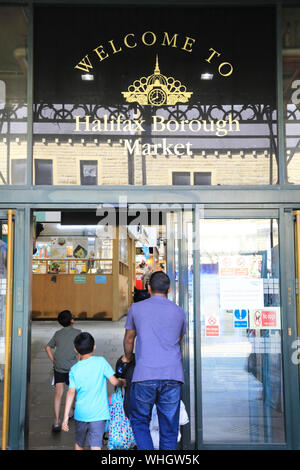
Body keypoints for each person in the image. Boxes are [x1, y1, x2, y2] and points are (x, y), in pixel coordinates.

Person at [122, 271, 186, 450]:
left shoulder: (136, 308)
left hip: (145, 375)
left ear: (148, 288)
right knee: (170, 427)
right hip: (172, 375)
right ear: (169, 289)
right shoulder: (179, 311)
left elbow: (129, 339)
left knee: (140, 421)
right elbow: (178, 339)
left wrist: (128, 357)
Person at [61, 332, 125, 450]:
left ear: (76, 349)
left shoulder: (74, 369)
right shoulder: (101, 362)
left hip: (81, 414)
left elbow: (70, 393)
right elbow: (114, 382)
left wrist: (65, 418)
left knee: (79, 444)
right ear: (94, 346)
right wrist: (123, 382)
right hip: (98, 414)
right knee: (96, 445)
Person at [45, 309, 81, 432]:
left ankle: (56, 421)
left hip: (59, 366)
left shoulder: (57, 333)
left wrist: (54, 360)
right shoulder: (78, 332)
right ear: (72, 320)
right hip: (72, 367)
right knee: (73, 390)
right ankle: (71, 411)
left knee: (58, 393)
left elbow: (48, 347)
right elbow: (80, 350)